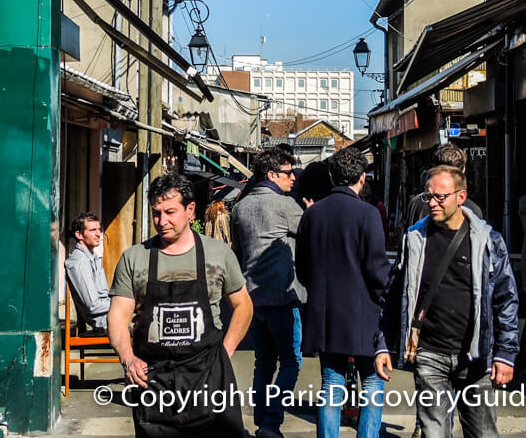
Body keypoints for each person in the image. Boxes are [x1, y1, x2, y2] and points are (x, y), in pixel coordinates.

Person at [375, 165, 519, 438]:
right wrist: (382, 345)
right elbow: (393, 296)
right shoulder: (415, 240)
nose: (432, 203)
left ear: (461, 197)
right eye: (428, 197)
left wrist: (506, 354)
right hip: (429, 353)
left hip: (475, 356)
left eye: (440, 197)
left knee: (483, 432)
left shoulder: (488, 241)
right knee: (434, 433)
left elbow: (506, 299)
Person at [108, 174, 253, 438]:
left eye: (170, 212)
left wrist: (226, 351)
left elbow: (243, 305)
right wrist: (127, 358)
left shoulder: (218, 254)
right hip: (153, 380)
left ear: (190, 210)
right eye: (156, 213)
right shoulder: (135, 258)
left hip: (209, 377)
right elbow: (117, 316)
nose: (162, 221)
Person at [296, 148, 390, 438]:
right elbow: (377, 268)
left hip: (325, 313)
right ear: (362, 179)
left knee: (330, 384)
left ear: (331, 176)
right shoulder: (368, 213)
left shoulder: (312, 215)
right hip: (364, 313)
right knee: (373, 382)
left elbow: (303, 269)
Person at [230, 147, 306, 438]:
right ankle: (272, 421)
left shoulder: (240, 207)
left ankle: (262, 418)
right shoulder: (284, 204)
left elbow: (238, 250)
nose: (293, 178)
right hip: (282, 295)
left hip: (251, 296)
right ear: (272, 174)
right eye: (289, 173)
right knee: (291, 360)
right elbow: (308, 231)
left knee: (263, 362)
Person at [404, 144, 484, 229]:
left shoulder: (416, 203)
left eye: (441, 197)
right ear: (463, 170)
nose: (432, 204)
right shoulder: (473, 210)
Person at [64, 212, 110, 332]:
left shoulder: (94, 257)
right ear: (79, 234)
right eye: (93, 230)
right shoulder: (78, 262)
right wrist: (121, 304)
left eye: (99, 229)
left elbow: (104, 293)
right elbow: (93, 306)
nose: (98, 234)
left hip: (110, 315)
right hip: (101, 321)